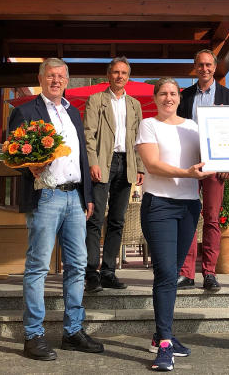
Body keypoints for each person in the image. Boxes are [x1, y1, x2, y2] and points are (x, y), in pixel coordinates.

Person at [8, 58, 103, 361]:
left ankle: (73, 331)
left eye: (61, 76)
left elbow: (83, 157)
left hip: (75, 198)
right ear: (41, 78)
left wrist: (87, 195)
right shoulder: (24, 112)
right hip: (45, 196)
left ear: (67, 80)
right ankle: (33, 335)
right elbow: (12, 154)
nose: (56, 80)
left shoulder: (73, 112)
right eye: (51, 76)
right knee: (38, 267)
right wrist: (30, 168)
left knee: (77, 267)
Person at [136, 78, 214, 371]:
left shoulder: (194, 127)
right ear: (155, 98)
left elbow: (210, 157)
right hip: (160, 205)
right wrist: (187, 173)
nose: (168, 98)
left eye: (172, 93)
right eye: (163, 94)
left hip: (190, 206)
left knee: (176, 271)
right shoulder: (148, 125)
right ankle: (165, 344)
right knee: (166, 273)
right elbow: (153, 165)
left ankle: (160, 335)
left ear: (179, 97)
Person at [177, 49, 229, 291]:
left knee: (212, 218)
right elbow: (177, 129)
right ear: (195, 67)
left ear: (214, 67)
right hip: (190, 164)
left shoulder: (228, 95)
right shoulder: (185, 95)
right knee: (189, 217)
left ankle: (209, 273)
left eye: (208, 65)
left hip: (216, 164)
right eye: (200, 65)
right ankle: (186, 273)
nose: (204, 69)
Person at [84, 56, 145, 292]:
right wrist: (92, 162)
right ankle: (91, 273)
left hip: (126, 164)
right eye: (116, 72)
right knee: (96, 218)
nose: (120, 76)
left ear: (128, 77)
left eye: (124, 73)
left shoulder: (135, 105)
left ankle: (108, 271)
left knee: (117, 220)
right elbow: (88, 134)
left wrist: (139, 166)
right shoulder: (96, 100)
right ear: (109, 75)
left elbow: (139, 139)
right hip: (103, 163)